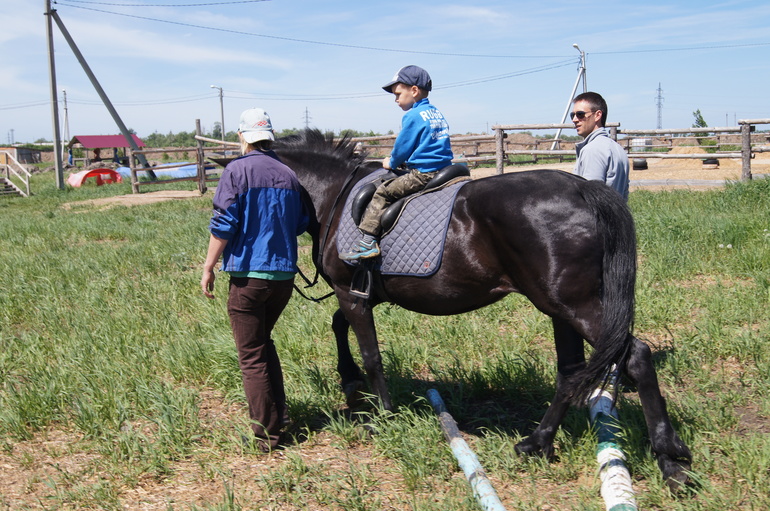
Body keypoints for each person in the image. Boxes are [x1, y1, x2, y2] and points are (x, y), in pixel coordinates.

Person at [201, 107, 309, 453]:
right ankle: (281, 417)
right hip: (283, 278)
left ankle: (267, 437)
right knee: (263, 344)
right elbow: (300, 223)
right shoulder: (289, 174)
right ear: (270, 137)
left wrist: (208, 266)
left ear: (242, 137)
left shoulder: (236, 171)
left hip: (249, 278)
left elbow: (223, 224)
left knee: (250, 356)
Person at [339, 65, 453, 260]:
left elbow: (403, 147)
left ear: (414, 91)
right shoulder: (435, 113)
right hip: (445, 169)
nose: (396, 99)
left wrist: (391, 162)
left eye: (398, 94)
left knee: (383, 192)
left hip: (424, 173)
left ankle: (368, 243)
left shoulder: (412, 116)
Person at [571, 91, 629, 201]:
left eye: (580, 114)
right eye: (572, 115)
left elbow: (589, 201)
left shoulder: (593, 150)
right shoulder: (617, 148)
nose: (574, 119)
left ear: (597, 115)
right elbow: (624, 195)